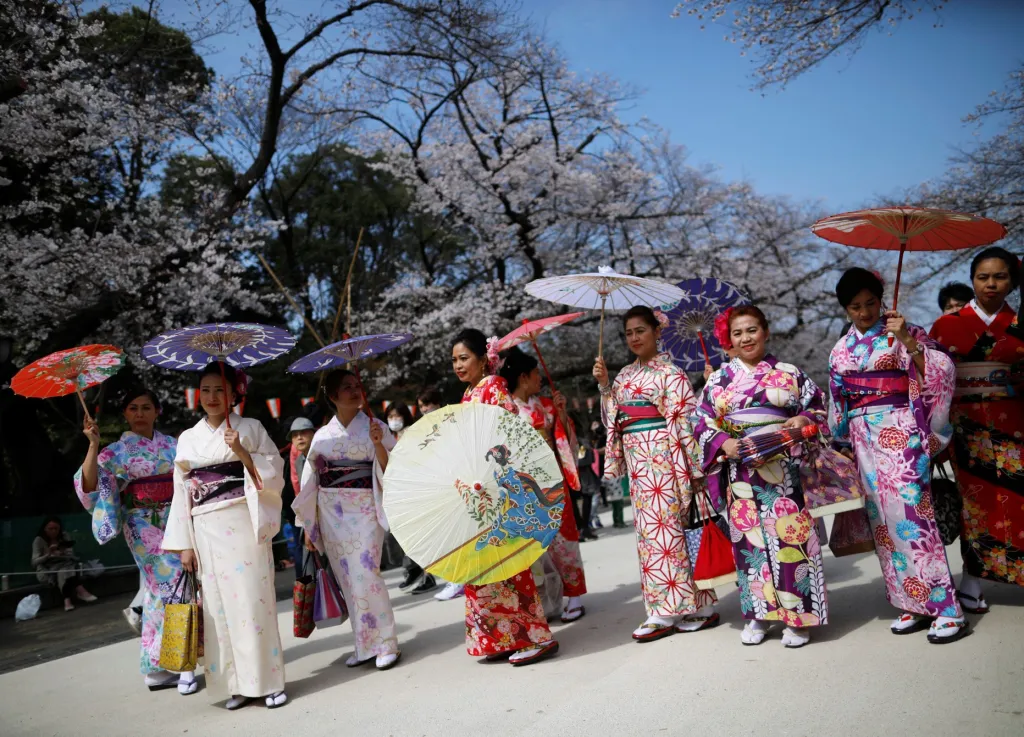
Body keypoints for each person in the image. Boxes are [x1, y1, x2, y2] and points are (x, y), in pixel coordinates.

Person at [828, 267, 967, 643]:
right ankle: (912, 602)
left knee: (914, 515)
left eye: (871, 303)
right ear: (845, 309)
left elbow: (939, 374)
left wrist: (907, 339)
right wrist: (840, 443)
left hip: (901, 432)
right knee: (883, 523)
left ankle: (946, 608)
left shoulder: (907, 333)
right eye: (855, 306)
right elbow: (837, 399)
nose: (864, 312)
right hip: (862, 437)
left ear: (882, 299)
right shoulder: (841, 348)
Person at [691, 306, 829, 648]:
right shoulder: (719, 379)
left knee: (790, 539)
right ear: (729, 340)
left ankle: (797, 616)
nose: (745, 338)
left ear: (766, 332)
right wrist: (725, 442)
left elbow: (819, 406)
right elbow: (701, 421)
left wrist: (804, 419)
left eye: (751, 330)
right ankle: (758, 614)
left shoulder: (789, 372)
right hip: (741, 470)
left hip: (784, 466)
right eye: (737, 334)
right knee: (750, 543)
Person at [163, 363, 288, 709]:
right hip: (204, 527)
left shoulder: (251, 427)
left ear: (235, 394)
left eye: (221, 390)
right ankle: (236, 686)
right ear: (197, 395)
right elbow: (181, 492)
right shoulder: (188, 438)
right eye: (206, 390)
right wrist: (185, 543)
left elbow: (274, 473)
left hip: (243, 520)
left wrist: (244, 453)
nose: (213, 397)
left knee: (252, 600)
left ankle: (268, 681)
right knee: (217, 607)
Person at [593, 306, 718, 642]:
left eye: (640, 331)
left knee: (672, 531)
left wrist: (688, 467)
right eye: (629, 333)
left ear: (656, 332)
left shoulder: (671, 374)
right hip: (638, 461)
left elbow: (684, 421)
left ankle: (676, 608)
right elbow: (613, 421)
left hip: (665, 457)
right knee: (652, 535)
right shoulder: (622, 376)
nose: (634, 338)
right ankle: (680, 606)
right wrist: (605, 387)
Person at [74, 387, 195, 693]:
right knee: (172, 584)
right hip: (142, 525)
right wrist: (93, 445)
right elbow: (90, 486)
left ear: (157, 412)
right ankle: (181, 663)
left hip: (178, 518)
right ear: (125, 414)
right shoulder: (114, 452)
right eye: (132, 408)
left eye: (145, 407)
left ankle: (155, 668)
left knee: (157, 592)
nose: (139, 413)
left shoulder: (173, 444)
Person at [454, 328, 559, 666]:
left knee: (508, 563)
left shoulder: (494, 388)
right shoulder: (469, 393)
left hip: (498, 487)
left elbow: (508, 433)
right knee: (484, 564)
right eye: (454, 360)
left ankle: (536, 636)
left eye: (464, 358)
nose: (457, 365)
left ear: (484, 359)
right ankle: (501, 636)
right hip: (478, 489)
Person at [930, 247, 1024, 613]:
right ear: (972, 280)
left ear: (1012, 282)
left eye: (999, 276)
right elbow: (932, 380)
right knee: (975, 506)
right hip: (966, 428)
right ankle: (971, 581)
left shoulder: (1019, 324)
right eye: (983, 277)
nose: (990, 284)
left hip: (1014, 425)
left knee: (1018, 502)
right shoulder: (947, 325)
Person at [293, 369, 402, 670]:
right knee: (347, 579)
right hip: (331, 510)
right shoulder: (322, 437)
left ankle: (386, 643)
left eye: (357, 385)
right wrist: (308, 525)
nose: (355, 391)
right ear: (332, 395)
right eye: (346, 387)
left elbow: (393, 469)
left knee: (367, 572)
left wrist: (379, 444)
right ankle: (363, 645)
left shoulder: (375, 426)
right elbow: (310, 482)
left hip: (365, 505)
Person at [499, 346, 587, 622]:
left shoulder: (546, 406)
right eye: (536, 374)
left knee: (564, 541)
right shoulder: (505, 411)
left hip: (553, 480)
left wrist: (560, 415)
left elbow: (564, 439)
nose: (540, 379)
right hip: (524, 488)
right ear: (524, 377)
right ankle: (546, 600)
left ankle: (574, 595)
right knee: (535, 547)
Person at [410, 387, 466, 603]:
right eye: (422, 406)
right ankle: (456, 579)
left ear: (438, 403)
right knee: (448, 534)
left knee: (461, 532)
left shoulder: (452, 420)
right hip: (439, 483)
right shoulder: (421, 428)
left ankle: (462, 578)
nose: (425, 409)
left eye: (428, 404)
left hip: (459, 480)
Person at [31, 516, 96, 612]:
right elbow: (34, 562)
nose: (53, 531)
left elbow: (72, 555)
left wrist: (63, 554)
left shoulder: (64, 536)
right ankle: (80, 591)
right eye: (50, 529)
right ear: (45, 529)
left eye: (56, 529)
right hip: (47, 569)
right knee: (66, 570)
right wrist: (48, 554)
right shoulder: (39, 540)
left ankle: (67, 600)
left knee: (64, 570)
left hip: (64, 564)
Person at [281, 417, 315, 572]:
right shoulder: (299, 460)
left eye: (303, 433)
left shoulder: (322, 456)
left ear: (313, 434)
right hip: (308, 516)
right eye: (295, 435)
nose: (299, 437)